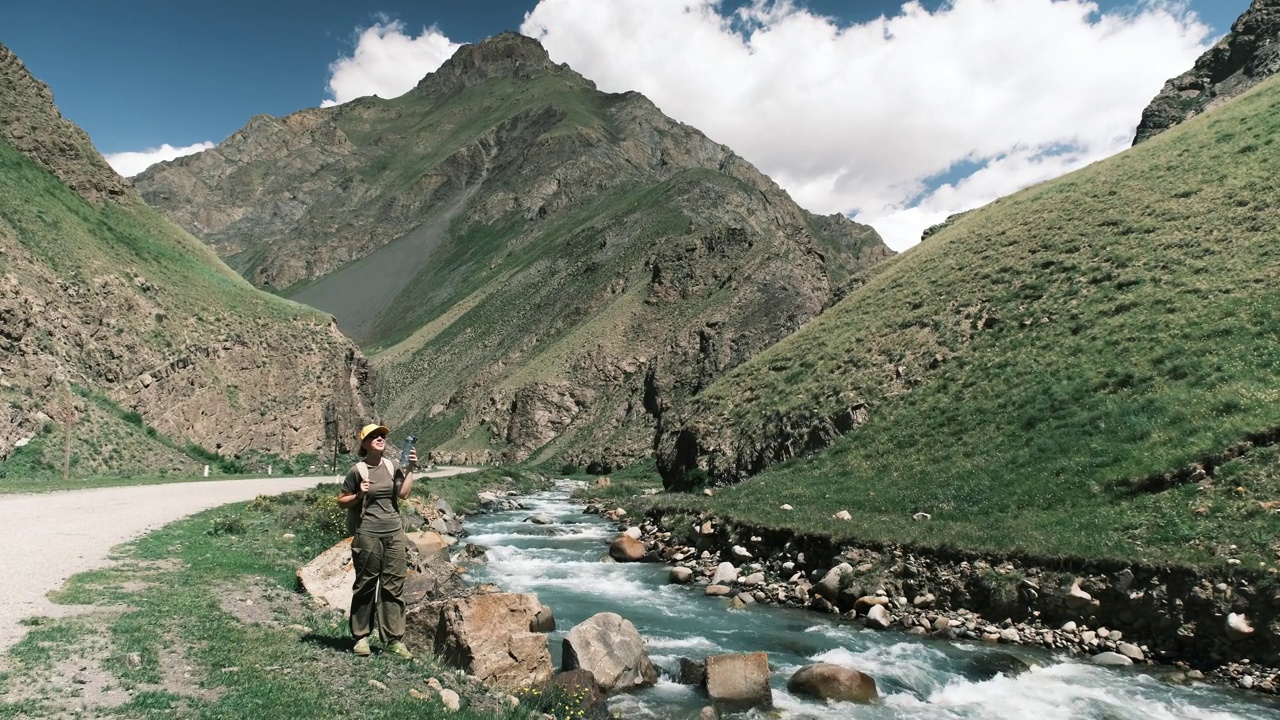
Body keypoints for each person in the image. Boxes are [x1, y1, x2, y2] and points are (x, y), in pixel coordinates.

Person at [337, 423, 417, 658]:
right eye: (373, 436)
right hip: (367, 534)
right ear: (364, 444)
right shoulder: (357, 471)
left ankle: (393, 640)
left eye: (382, 435)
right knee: (365, 586)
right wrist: (359, 494)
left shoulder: (392, 466)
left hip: (393, 533)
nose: (380, 438)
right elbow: (342, 501)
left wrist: (411, 468)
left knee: (393, 587)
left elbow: (403, 494)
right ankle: (361, 637)